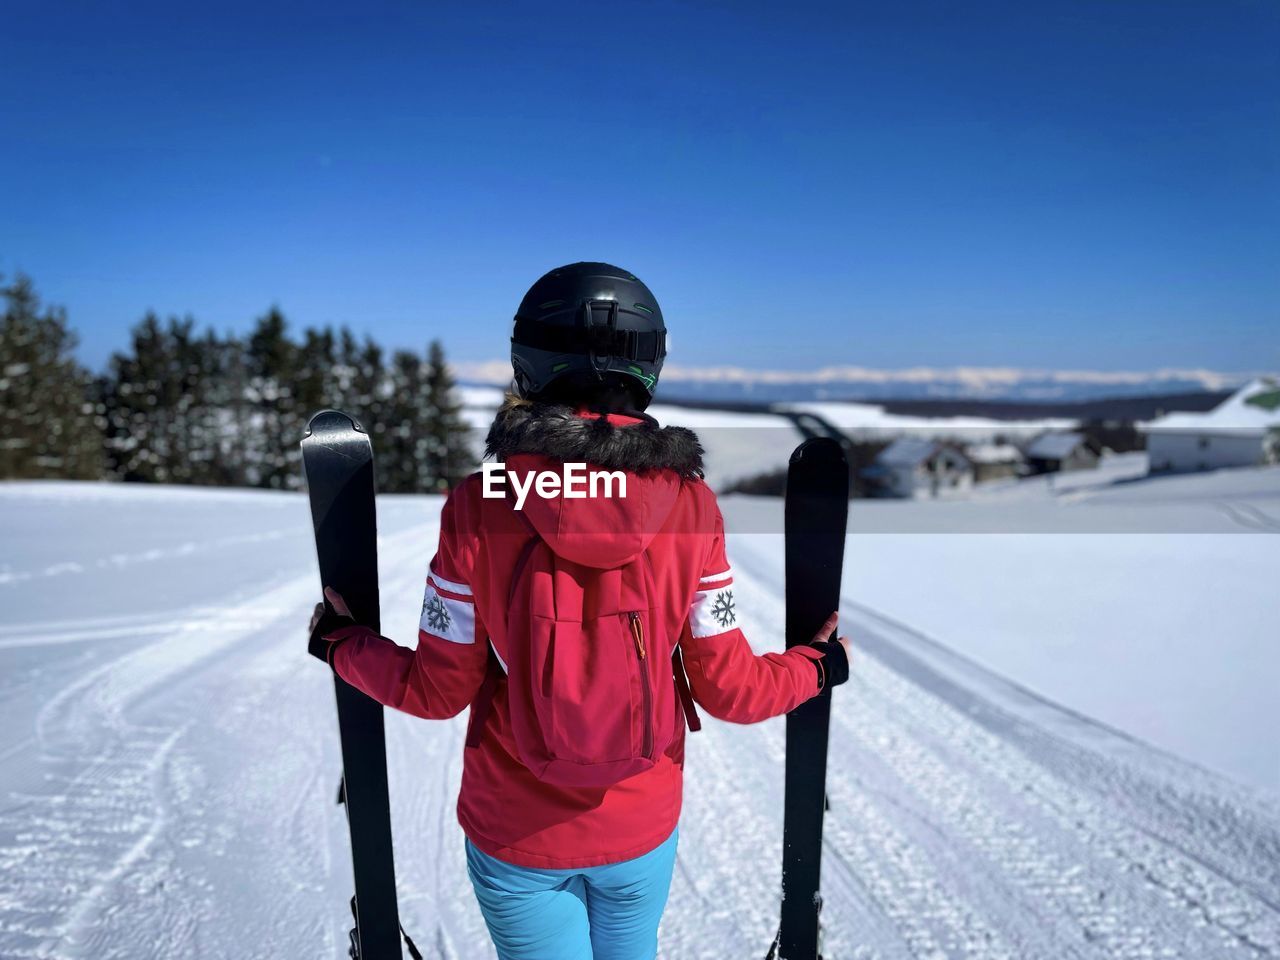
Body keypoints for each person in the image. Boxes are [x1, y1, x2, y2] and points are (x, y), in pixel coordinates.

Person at [308, 262, 851, 960]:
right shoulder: (692, 508)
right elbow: (731, 690)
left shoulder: (481, 505)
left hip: (515, 832)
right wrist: (816, 664)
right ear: (649, 362)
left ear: (528, 361)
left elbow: (438, 691)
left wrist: (342, 644)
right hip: (639, 825)